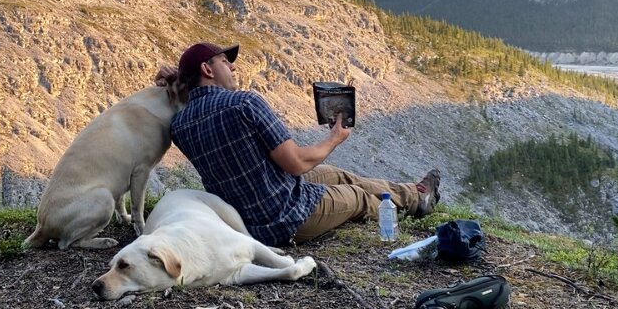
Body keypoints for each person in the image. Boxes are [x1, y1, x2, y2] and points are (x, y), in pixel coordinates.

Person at [155, 42, 441, 247]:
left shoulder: (180, 125)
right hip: (285, 217)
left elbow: (193, 101)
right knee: (356, 195)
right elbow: (295, 163)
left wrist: (178, 79)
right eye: (224, 62)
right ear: (207, 68)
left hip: (242, 219)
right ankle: (416, 204)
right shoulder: (244, 102)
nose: (232, 66)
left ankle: (414, 194)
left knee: (335, 175)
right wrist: (335, 138)